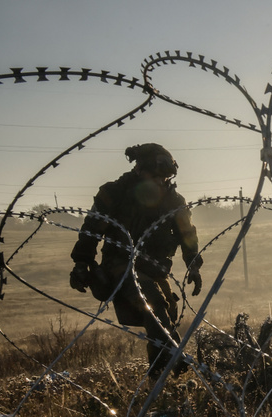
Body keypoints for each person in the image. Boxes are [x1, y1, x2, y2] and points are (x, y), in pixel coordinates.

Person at [69, 143, 203, 378]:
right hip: (121, 265)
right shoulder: (115, 193)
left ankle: (159, 379)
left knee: (165, 317)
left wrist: (193, 264)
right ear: (139, 170)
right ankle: (173, 362)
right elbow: (91, 229)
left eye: (165, 178)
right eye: (155, 176)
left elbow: (187, 234)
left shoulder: (173, 201)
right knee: (154, 305)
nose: (160, 182)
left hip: (156, 268)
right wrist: (81, 263)